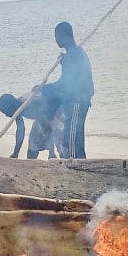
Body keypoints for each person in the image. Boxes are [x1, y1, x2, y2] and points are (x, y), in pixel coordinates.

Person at [42, 21, 94, 159]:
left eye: (57, 36)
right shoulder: (74, 53)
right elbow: (73, 75)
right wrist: (64, 61)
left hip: (77, 101)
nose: (56, 40)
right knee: (74, 137)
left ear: (64, 36)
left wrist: (45, 89)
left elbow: (66, 82)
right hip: (78, 100)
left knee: (72, 140)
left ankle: (74, 165)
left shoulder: (73, 54)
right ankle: (80, 164)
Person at [0, 85, 62, 159]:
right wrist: (15, 153)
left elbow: (48, 129)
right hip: (42, 117)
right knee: (33, 144)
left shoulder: (28, 106)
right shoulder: (17, 109)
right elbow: (20, 132)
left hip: (56, 111)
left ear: (10, 107)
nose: (6, 115)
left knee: (61, 145)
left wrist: (51, 153)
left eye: (5, 111)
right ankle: (31, 160)